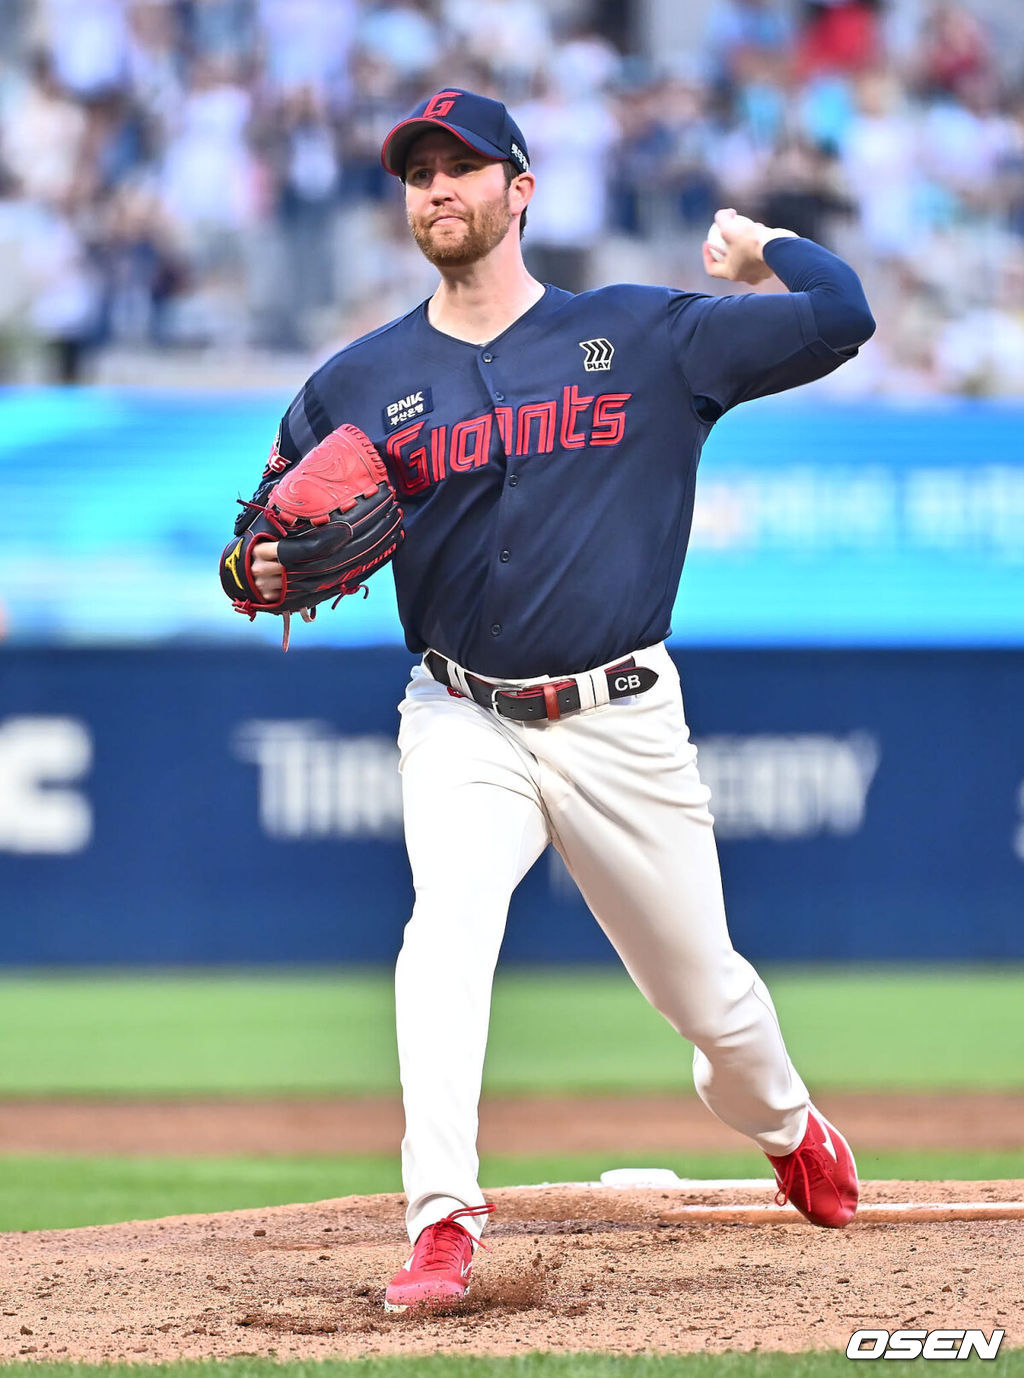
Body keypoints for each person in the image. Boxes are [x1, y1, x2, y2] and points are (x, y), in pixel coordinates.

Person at [244, 86, 875, 1312]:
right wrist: (255, 565)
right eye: (417, 171)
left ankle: (788, 1122)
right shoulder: (356, 379)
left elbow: (839, 316)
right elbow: (259, 536)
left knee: (711, 999)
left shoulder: (649, 337)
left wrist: (758, 247)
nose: (435, 188)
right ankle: (441, 1219)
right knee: (446, 935)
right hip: (461, 712)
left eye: (461, 167)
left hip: (623, 715)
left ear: (518, 189)